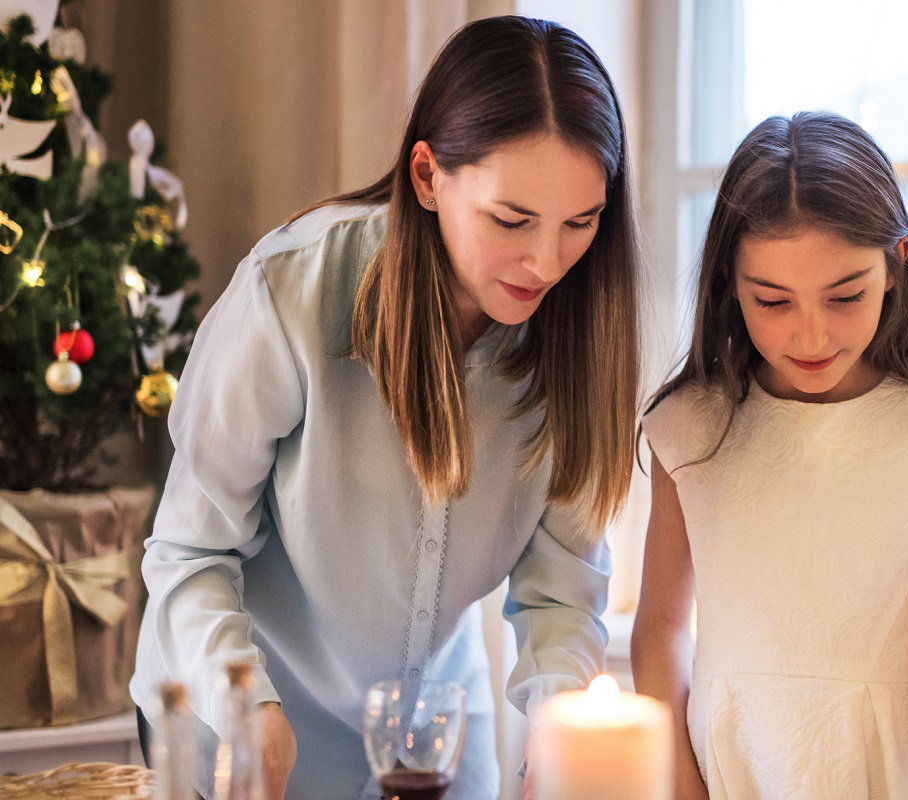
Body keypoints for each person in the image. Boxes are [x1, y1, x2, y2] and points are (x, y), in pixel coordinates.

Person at [131, 16, 641, 800]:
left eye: (582, 222)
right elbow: (190, 557)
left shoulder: (580, 336)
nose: (548, 262)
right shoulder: (293, 293)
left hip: (435, 733)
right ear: (429, 176)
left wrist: (556, 738)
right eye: (512, 220)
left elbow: (561, 596)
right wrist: (248, 706)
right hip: (245, 729)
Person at [631, 111, 908, 800]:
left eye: (845, 297)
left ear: (897, 266)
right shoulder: (689, 426)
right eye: (773, 300)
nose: (811, 335)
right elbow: (659, 629)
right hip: (729, 771)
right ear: (729, 281)